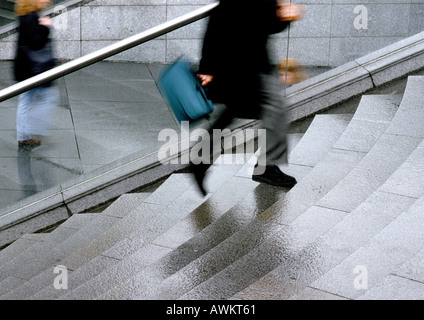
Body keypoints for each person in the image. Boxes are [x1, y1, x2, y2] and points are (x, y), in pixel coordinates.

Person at [191, 0, 305, 195]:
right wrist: (207, 68)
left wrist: (284, 17)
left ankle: (200, 162)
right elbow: (220, 22)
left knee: (237, 111)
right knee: (273, 109)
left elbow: (264, 22)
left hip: (249, 64)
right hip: (240, 66)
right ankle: (265, 168)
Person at [14, 0, 58, 149]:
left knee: (25, 101)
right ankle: (34, 130)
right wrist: (45, 27)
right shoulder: (32, 17)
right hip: (34, 68)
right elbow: (36, 42)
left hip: (25, 67)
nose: (46, 1)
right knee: (48, 98)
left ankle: (24, 136)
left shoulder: (24, 15)